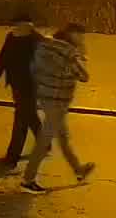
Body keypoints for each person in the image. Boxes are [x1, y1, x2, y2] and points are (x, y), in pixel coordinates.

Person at [21, 24, 95, 193]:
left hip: (46, 97)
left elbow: (35, 69)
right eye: (81, 36)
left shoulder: (44, 45)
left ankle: (78, 170)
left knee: (63, 137)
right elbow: (84, 76)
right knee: (44, 141)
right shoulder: (69, 52)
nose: (82, 39)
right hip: (58, 101)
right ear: (72, 35)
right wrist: (81, 54)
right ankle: (28, 179)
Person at [0, 15, 40, 167]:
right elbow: (3, 57)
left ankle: (12, 157)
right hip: (17, 84)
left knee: (21, 120)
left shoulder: (36, 41)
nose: (17, 30)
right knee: (29, 115)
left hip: (30, 86)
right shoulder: (12, 37)